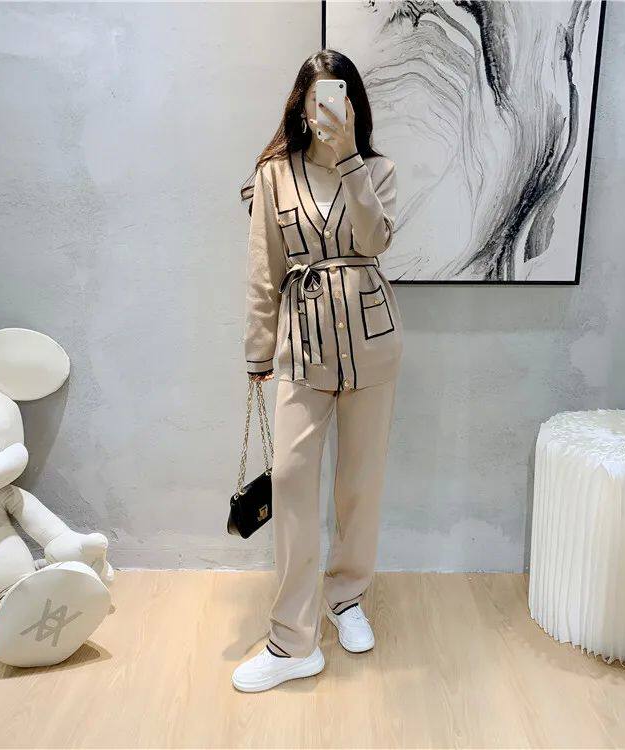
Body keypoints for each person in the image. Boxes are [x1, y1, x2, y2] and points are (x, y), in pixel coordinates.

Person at [233, 49, 403, 692]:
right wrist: (258, 351)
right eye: (317, 99)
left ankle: (346, 597)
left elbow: (375, 242)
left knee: (361, 483)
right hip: (302, 347)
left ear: (353, 105)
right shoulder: (274, 174)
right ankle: (293, 640)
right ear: (302, 106)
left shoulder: (378, 170)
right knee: (293, 481)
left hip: (372, 344)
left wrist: (351, 156)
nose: (327, 109)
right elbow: (264, 270)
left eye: (339, 98)